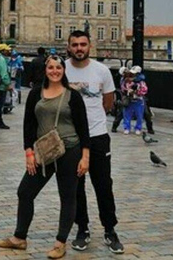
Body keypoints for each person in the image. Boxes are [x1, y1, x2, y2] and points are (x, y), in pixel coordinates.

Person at [0, 55, 90, 259]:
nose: (54, 71)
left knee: (67, 196)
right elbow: (29, 125)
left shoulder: (73, 95)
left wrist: (85, 156)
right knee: (25, 192)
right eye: (51, 67)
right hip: (43, 153)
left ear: (64, 70)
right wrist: (28, 152)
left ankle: (60, 242)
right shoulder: (36, 93)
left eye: (58, 67)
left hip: (70, 150)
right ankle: (20, 237)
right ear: (45, 70)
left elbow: (83, 128)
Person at [65, 30, 124, 254]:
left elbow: (108, 102)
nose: (79, 48)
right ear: (69, 47)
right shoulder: (62, 69)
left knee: (103, 185)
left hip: (98, 136)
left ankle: (110, 229)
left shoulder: (102, 71)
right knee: (76, 186)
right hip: (72, 137)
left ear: (89, 46)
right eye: (75, 45)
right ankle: (83, 228)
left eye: (83, 44)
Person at [121, 66, 148, 135]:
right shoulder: (126, 80)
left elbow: (145, 90)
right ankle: (126, 128)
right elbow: (123, 88)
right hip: (129, 100)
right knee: (127, 114)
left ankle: (138, 128)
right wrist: (128, 91)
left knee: (139, 115)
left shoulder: (141, 82)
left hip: (138, 100)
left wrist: (137, 92)